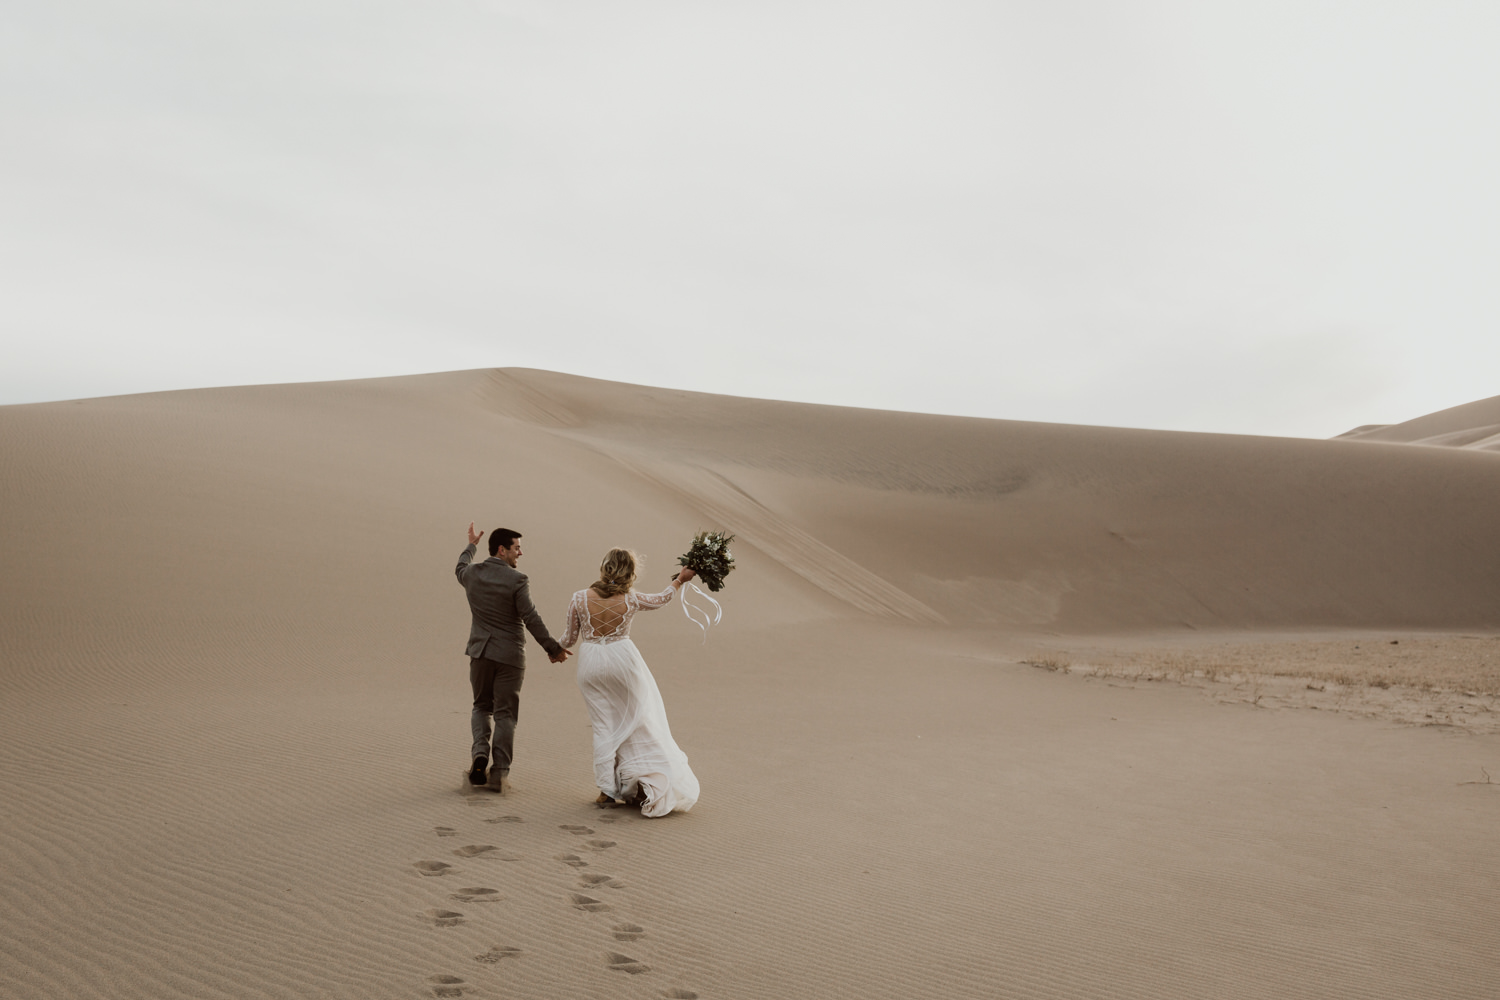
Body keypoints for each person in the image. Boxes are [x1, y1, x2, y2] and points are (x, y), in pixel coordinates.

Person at [559, 549, 700, 817]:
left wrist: (553, 649)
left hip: (591, 663)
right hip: (623, 662)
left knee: (603, 727)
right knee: (638, 720)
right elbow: (660, 599)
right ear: (629, 572)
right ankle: (642, 782)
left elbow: (568, 638)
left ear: (604, 568)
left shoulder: (579, 598)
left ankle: (607, 790)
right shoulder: (631, 598)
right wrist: (680, 580)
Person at [455, 522, 570, 791]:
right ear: (502, 549)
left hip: (480, 652)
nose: (520, 553)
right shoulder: (518, 580)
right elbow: (530, 617)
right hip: (509, 655)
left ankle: (479, 754)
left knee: (481, 707)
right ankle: (499, 773)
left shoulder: (472, 574)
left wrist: (471, 545)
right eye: (517, 548)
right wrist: (553, 649)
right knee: (506, 714)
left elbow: (460, 566)